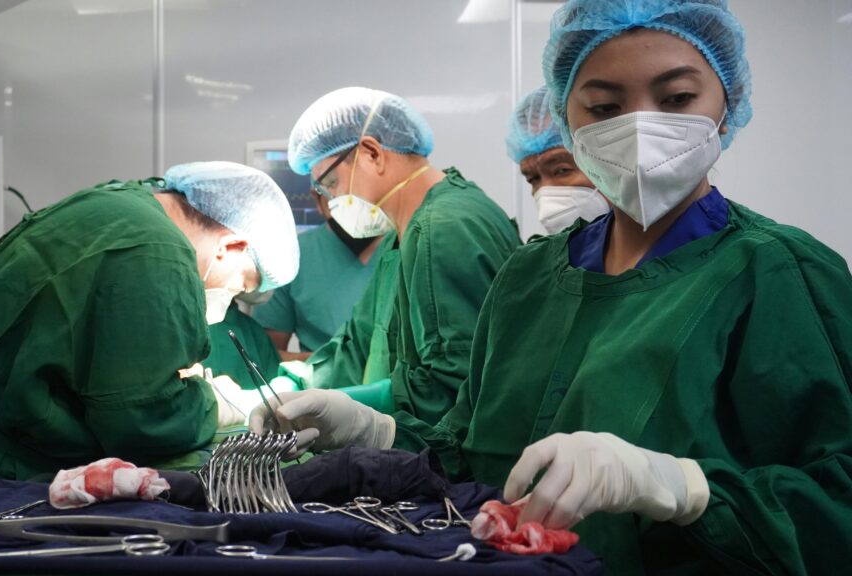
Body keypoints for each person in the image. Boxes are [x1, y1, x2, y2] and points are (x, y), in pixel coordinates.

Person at [251, 2, 852, 574]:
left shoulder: (779, 274)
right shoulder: (530, 280)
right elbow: (469, 454)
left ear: (729, 101)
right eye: (603, 107)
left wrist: (682, 487)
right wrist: (373, 432)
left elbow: (839, 503)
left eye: (676, 97)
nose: (640, 128)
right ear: (568, 120)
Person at [0, 162, 299, 568]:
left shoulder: (119, 205)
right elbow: (144, 420)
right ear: (231, 246)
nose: (230, 299)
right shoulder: (155, 250)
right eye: (242, 285)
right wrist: (215, 403)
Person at [284, 87, 521, 425]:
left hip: (455, 462)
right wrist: (294, 386)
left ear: (371, 153)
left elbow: (453, 387)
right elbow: (358, 343)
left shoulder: (445, 227)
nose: (332, 200)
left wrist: (351, 408)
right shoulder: (401, 236)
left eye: (331, 183)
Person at [254, 191, 384, 360]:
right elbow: (267, 357)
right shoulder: (291, 256)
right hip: (321, 383)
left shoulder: (409, 249)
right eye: (335, 187)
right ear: (317, 198)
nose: (354, 200)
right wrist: (329, 363)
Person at [507, 85, 609, 235]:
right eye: (533, 179)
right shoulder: (546, 256)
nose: (546, 195)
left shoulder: (653, 254)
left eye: (562, 170)